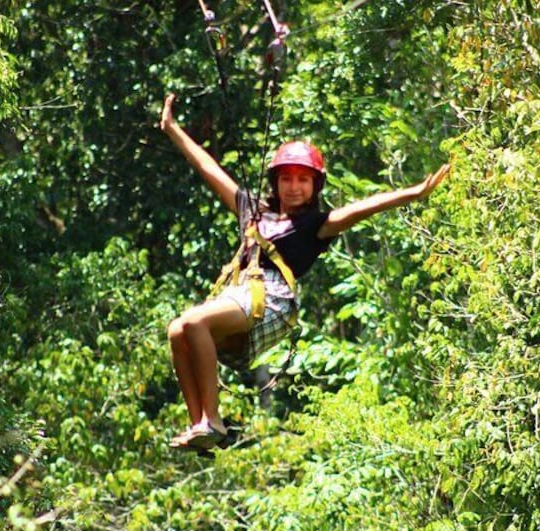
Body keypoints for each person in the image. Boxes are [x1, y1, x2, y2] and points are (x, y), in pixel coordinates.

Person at [159, 93, 451, 450]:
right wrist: (173, 130)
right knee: (177, 330)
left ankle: (213, 420)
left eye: (303, 180)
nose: (294, 187)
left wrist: (414, 193)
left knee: (193, 322)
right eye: (286, 179)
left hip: (272, 302)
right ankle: (199, 425)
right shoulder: (253, 211)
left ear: (315, 186)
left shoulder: (315, 225)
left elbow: (362, 209)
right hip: (238, 295)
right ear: (275, 183)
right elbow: (210, 170)